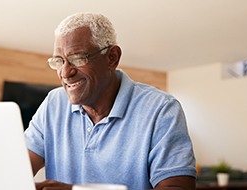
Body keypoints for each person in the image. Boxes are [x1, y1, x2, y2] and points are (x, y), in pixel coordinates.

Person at [25, 12, 196, 190]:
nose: (65, 73)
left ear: (112, 57)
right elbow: (16, 168)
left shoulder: (160, 109)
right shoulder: (54, 103)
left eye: (77, 58)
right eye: (59, 61)